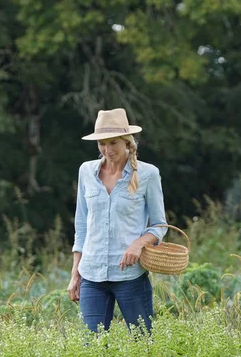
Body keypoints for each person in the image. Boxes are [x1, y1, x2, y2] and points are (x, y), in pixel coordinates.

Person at [67, 108, 168, 335]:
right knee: (92, 346)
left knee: (141, 343)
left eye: (113, 143)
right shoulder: (86, 171)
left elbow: (160, 225)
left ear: (127, 142)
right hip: (91, 274)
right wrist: (75, 274)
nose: (107, 149)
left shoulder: (148, 174)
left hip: (130, 276)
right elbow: (81, 226)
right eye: (102, 143)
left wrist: (138, 244)